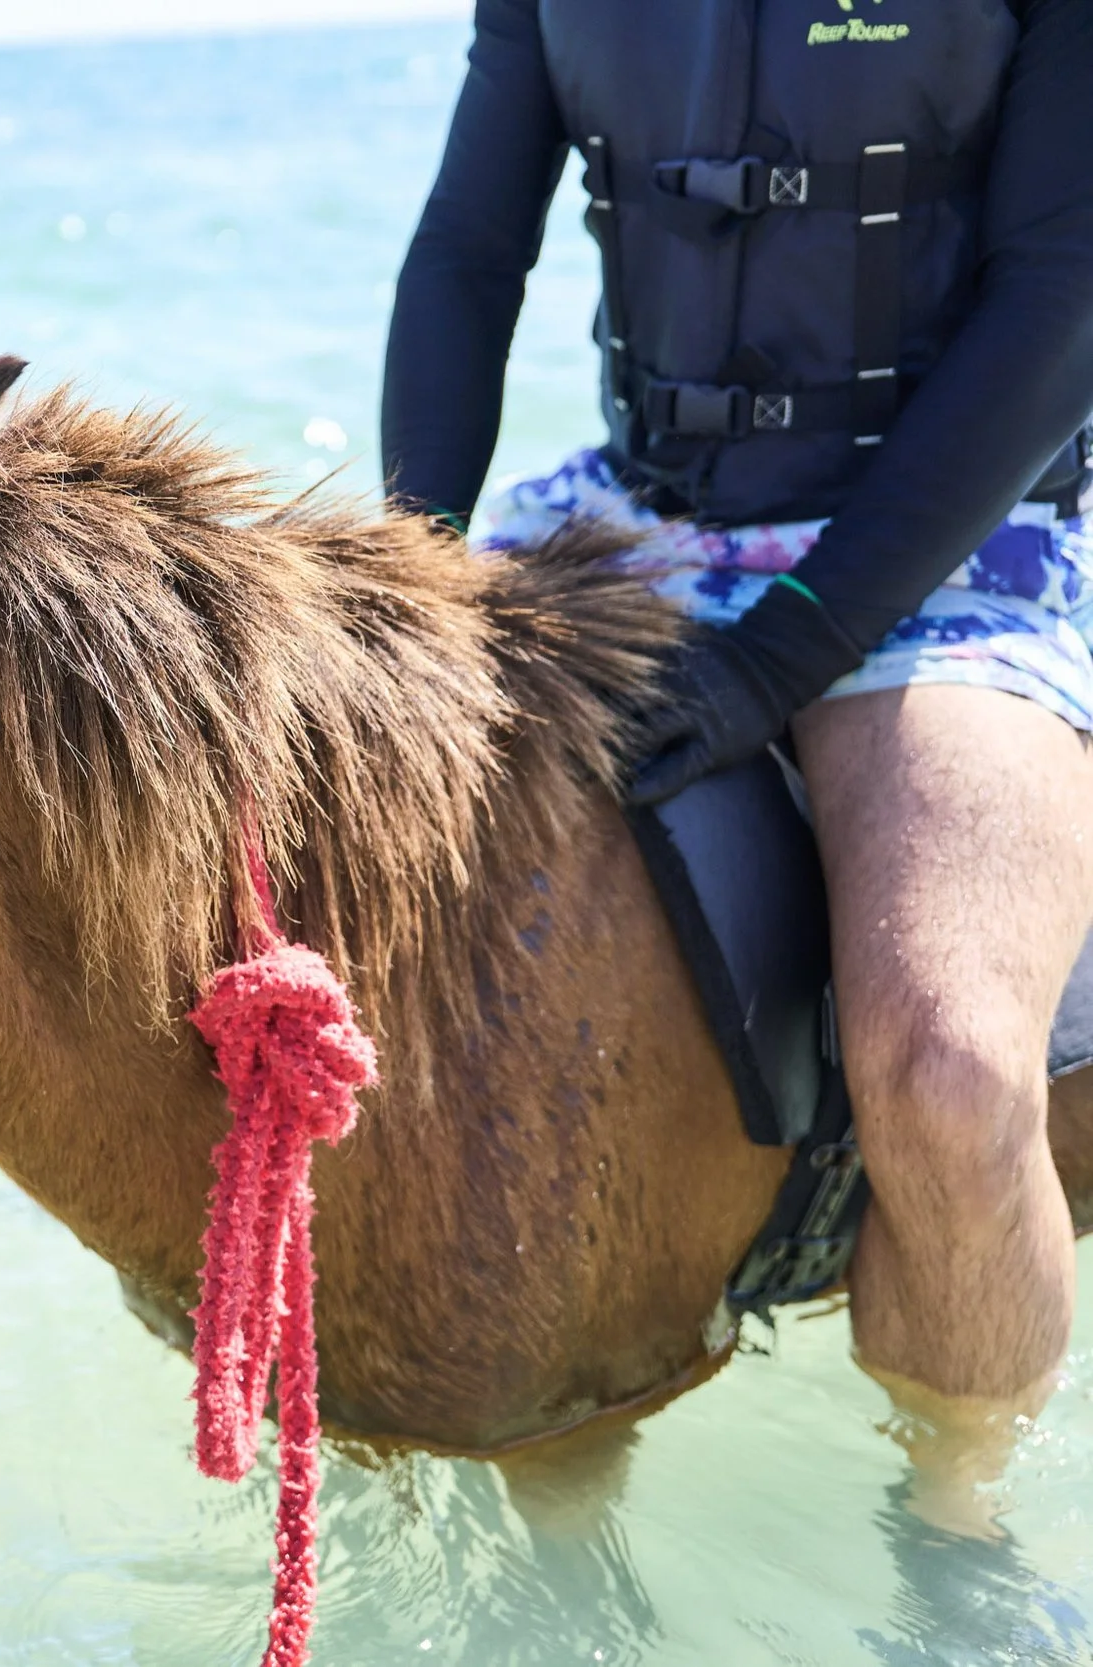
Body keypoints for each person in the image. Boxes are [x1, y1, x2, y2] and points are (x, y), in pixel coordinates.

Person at [383, 0, 1093, 1419]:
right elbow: (469, 254)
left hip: (970, 538)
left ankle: (960, 1546)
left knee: (948, 1068)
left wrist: (785, 659)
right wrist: (413, 580)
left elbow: (1064, 288)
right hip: (636, 517)